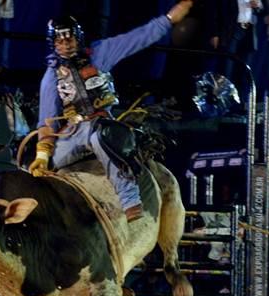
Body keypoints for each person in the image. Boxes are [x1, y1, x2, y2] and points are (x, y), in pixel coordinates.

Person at [29, 1, 194, 222]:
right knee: (48, 166)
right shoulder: (51, 77)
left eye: (69, 39)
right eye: (60, 40)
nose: (66, 45)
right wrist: (42, 155)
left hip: (101, 125)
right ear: (53, 44)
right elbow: (47, 120)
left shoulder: (100, 53)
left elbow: (137, 38)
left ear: (78, 38)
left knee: (100, 138)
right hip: (72, 135)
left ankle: (129, 198)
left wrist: (167, 20)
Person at [209, 0, 263, 84]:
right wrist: (214, 33)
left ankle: (240, 96)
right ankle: (223, 95)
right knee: (227, 68)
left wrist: (258, 5)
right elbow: (215, 10)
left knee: (243, 70)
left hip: (249, 31)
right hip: (231, 30)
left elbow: (261, 9)